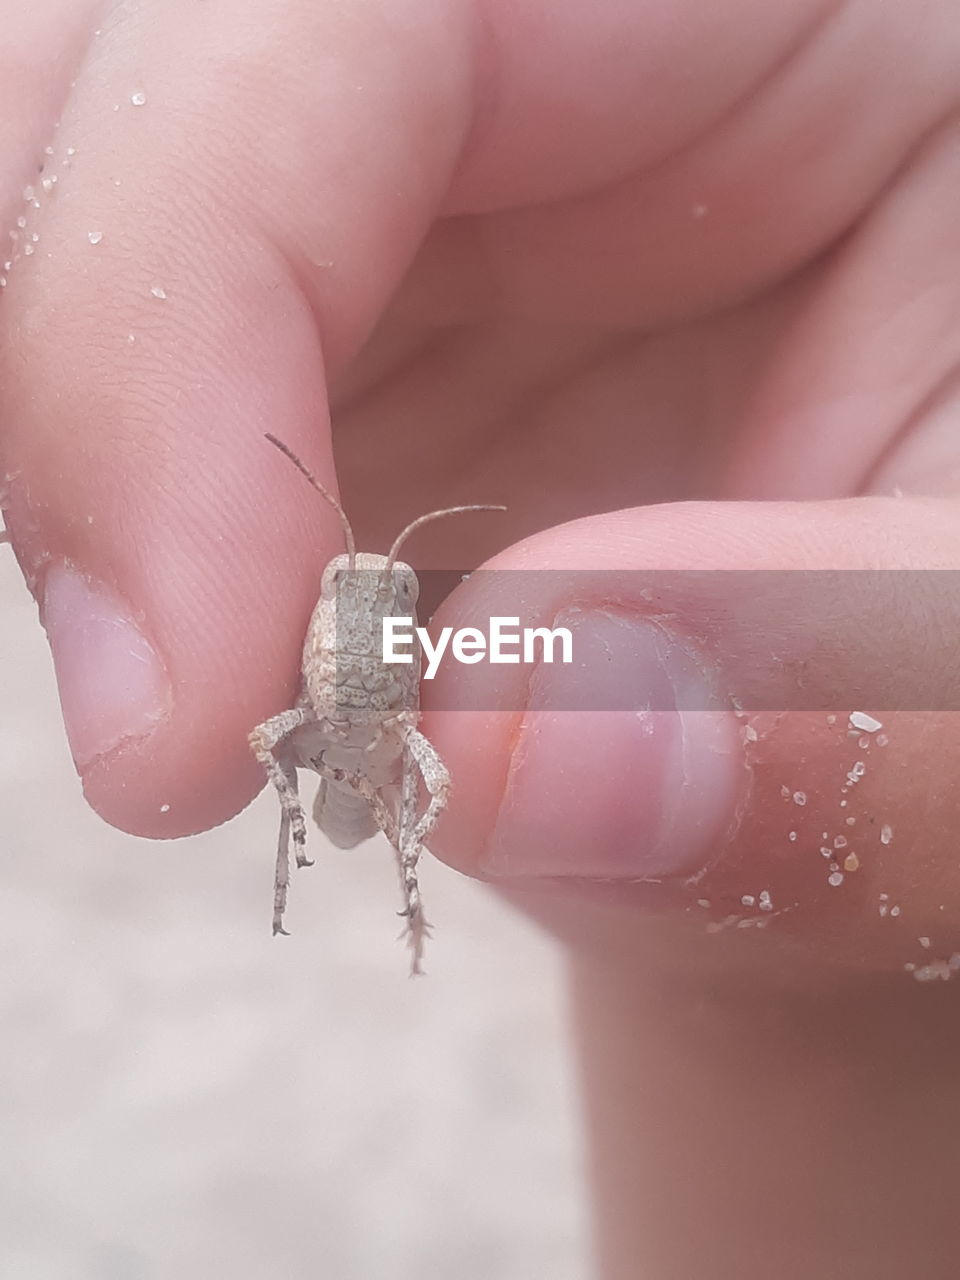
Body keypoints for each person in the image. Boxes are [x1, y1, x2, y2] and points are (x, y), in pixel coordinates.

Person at [2, 4, 959, 1276]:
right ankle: (300, 868)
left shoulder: (398, 604)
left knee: (440, 772)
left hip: (386, 754)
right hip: (333, 754)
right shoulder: (342, 596)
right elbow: (315, 684)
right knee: (276, 745)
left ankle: (406, 912)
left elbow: (411, 684)